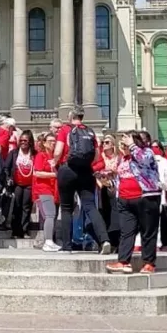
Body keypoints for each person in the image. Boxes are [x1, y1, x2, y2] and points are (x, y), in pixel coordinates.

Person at [53, 108, 111, 255]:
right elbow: (97, 156)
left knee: (66, 208)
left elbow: (58, 151)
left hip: (68, 169)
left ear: (71, 117)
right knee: (90, 206)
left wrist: (54, 162)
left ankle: (66, 246)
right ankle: (105, 240)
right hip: (86, 171)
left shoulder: (65, 130)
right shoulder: (90, 132)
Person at [106, 132, 161, 275]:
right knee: (126, 231)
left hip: (146, 197)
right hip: (125, 199)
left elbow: (142, 160)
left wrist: (132, 145)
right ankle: (124, 261)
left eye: (126, 144)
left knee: (148, 231)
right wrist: (110, 182)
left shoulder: (146, 152)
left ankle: (149, 263)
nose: (123, 147)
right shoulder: (123, 159)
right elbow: (122, 177)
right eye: (123, 145)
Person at [33, 133, 60, 252]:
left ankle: (49, 240)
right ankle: (48, 241)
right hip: (42, 189)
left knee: (50, 215)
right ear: (44, 143)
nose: (53, 143)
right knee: (50, 214)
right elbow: (37, 172)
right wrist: (55, 175)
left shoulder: (54, 158)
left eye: (54, 141)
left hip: (52, 189)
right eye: (50, 141)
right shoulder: (41, 156)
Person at [6, 130, 35, 239]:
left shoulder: (34, 154)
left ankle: (25, 230)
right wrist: (9, 178)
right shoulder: (13, 153)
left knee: (26, 207)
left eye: (25, 140)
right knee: (16, 206)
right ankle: (15, 231)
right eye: (21, 140)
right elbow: (6, 167)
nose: (23, 142)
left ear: (30, 142)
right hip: (17, 184)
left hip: (29, 184)